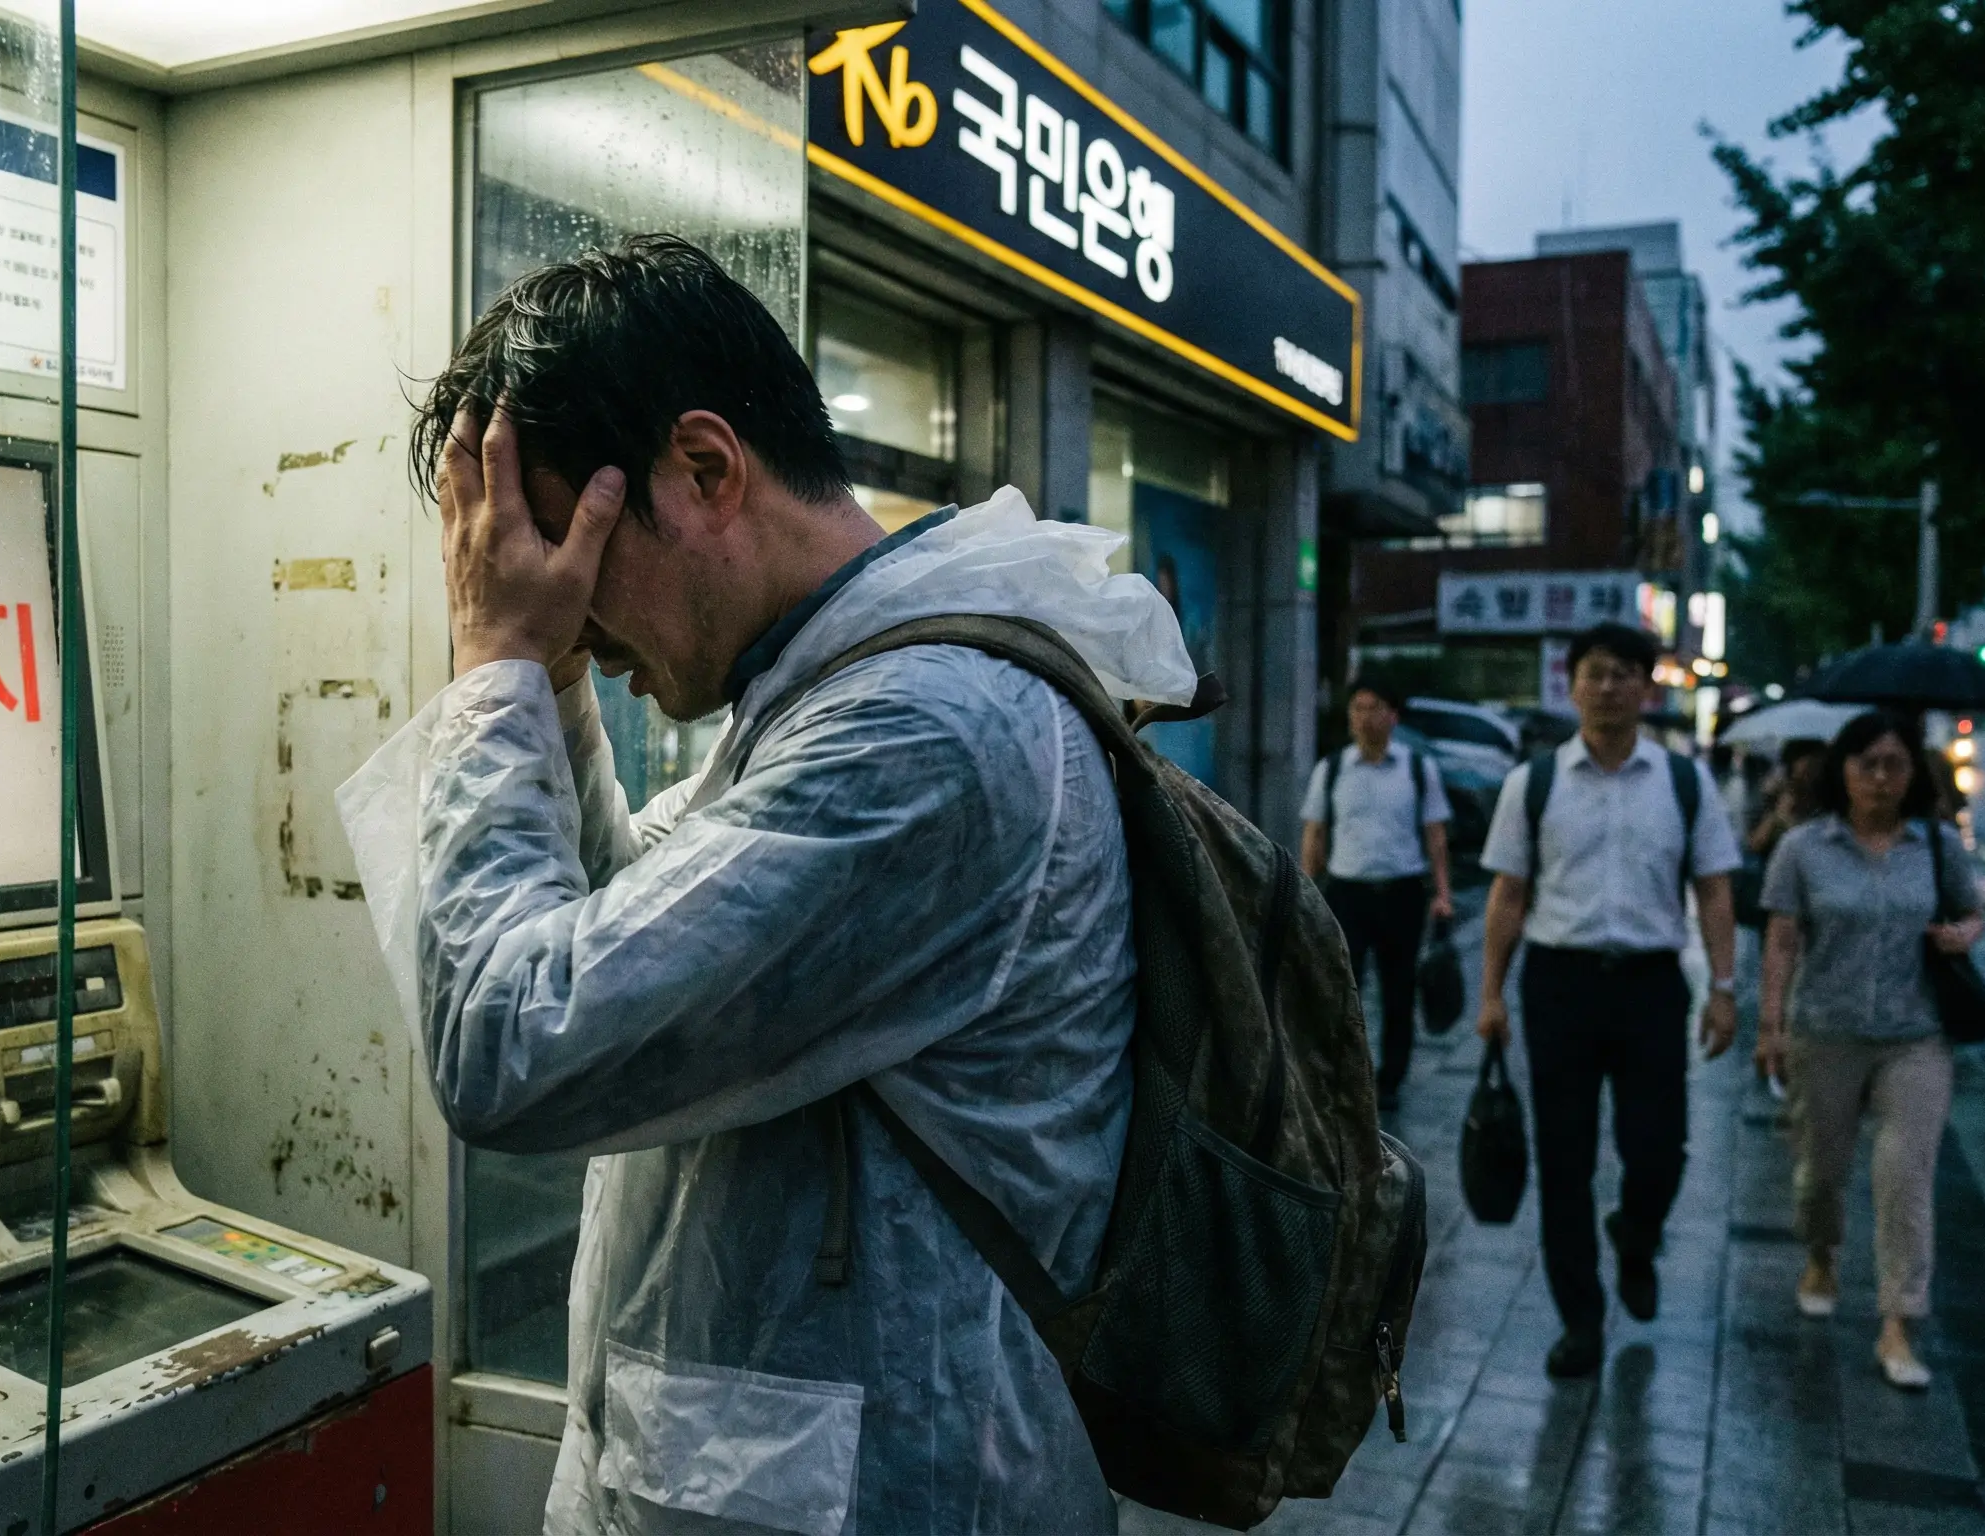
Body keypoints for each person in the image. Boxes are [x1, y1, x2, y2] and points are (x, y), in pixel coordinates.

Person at [353, 236, 1195, 1533]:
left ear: (704, 468)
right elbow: (631, 942)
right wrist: (557, 683)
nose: (568, 610)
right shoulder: (832, 699)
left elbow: (515, 1041)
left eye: (578, 561)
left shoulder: (925, 737)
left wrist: (495, 662)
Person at [1476, 622, 1743, 1380]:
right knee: (1564, 1161)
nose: (1608, 686)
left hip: (1653, 986)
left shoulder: (1683, 783)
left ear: (1646, 688)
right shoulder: (1534, 782)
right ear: (1572, 683)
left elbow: (1715, 889)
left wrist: (1724, 990)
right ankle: (1581, 1321)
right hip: (1559, 986)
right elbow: (1508, 893)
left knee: (1659, 1147)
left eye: (1625, 673)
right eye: (1595, 673)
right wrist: (1491, 993)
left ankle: (1636, 1232)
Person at [1754, 712, 1981, 1390]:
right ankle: (1821, 1254)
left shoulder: (1938, 846)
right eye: (1866, 763)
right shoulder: (1803, 847)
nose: (1880, 778)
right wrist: (1770, 1024)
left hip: (1916, 1036)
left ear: (1914, 774)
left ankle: (1898, 1323)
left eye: (1895, 764)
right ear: (1842, 771)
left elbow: (1973, 911)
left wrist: (1964, 934)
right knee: (1820, 1174)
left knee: (1905, 1177)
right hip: (1825, 1030)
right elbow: (1783, 938)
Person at [1300, 680, 1454, 1115]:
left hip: (1402, 893)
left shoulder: (1418, 769)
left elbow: (1435, 836)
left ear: (1393, 717)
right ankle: (1345, 1074)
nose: (1364, 717)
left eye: (1375, 708)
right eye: (1357, 708)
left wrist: (1442, 894)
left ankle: (1390, 1079)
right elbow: (1315, 834)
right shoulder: (1331, 769)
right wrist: (1306, 892)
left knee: (1398, 990)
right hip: (1347, 893)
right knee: (1342, 990)